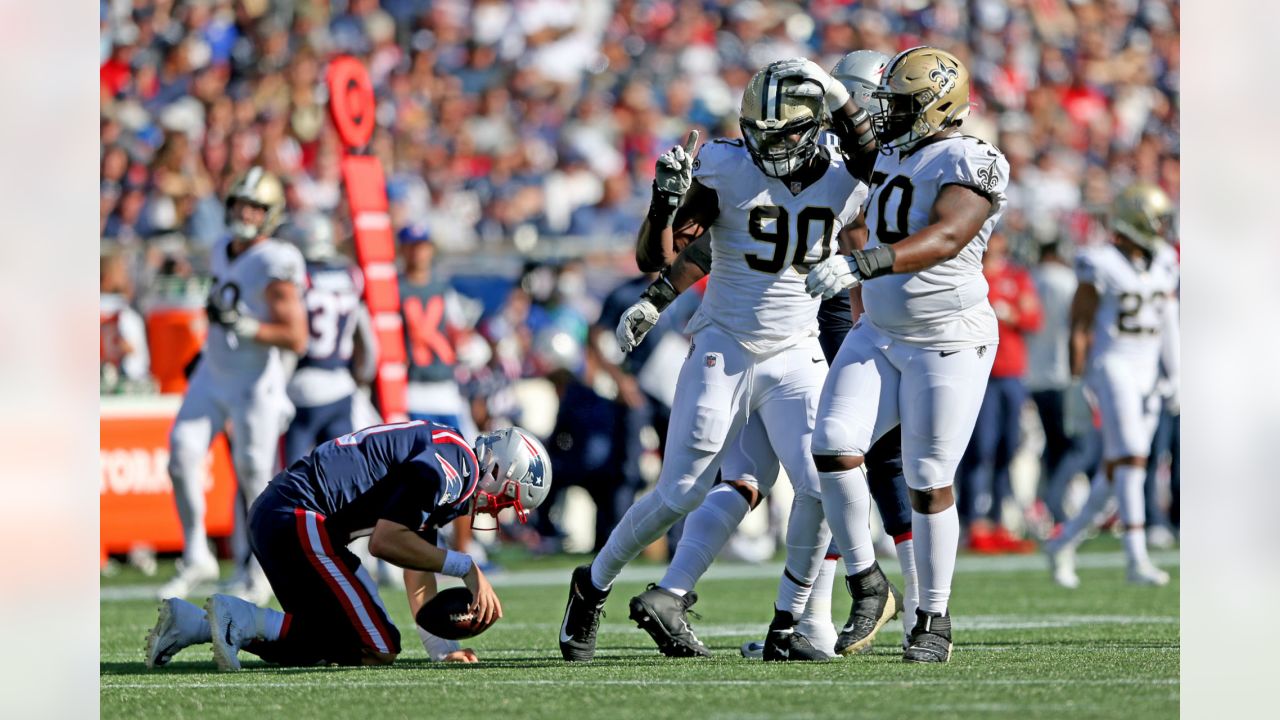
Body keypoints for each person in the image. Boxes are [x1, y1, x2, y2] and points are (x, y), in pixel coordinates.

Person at [559, 57, 880, 663]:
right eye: (756, 129)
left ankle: (795, 623)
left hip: (795, 349)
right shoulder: (727, 164)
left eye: (778, 132)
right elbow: (659, 254)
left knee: (822, 484)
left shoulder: (847, 172)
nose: (764, 144)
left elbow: (872, 155)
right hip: (724, 344)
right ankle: (592, 584)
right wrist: (663, 204)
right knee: (680, 491)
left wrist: (835, 90)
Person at [803, 46, 1011, 663]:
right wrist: (834, 94)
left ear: (937, 106)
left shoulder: (973, 157)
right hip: (882, 331)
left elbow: (947, 235)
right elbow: (866, 146)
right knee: (833, 444)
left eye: (900, 103)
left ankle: (935, 618)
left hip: (948, 337)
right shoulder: (897, 149)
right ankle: (868, 580)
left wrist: (860, 262)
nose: (888, 112)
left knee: (926, 479)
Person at [144, 420, 552, 671]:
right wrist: (467, 568)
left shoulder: (451, 461)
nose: (495, 509)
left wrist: (441, 649)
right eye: (505, 498)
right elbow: (386, 541)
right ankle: (238, 619)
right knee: (377, 646)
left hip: (290, 516)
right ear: (498, 470)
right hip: (301, 516)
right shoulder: (457, 463)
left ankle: (193, 624)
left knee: (339, 636)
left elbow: (414, 560)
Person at [160, 167, 308, 604]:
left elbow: (296, 335)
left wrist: (244, 325)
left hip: (253, 381)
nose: (245, 213)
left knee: (253, 476)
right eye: (239, 204)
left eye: (255, 207)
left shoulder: (276, 259)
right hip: (213, 370)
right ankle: (196, 554)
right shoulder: (222, 247)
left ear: (270, 214)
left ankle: (261, 572)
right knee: (181, 453)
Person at [1043, 183, 1180, 588]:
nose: (1162, 225)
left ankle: (1063, 541)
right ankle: (1135, 558)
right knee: (1134, 458)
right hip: (1112, 364)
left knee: (1117, 471)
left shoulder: (1165, 261)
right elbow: (1080, 325)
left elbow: (1169, 322)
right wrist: (1075, 383)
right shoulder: (1099, 261)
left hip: (1149, 370)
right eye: (1156, 217)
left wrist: (1176, 373)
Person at [958, 231, 1041, 553]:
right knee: (980, 449)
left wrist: (1012, 314)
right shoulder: (969, 274)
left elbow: (1033, 317)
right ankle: (973, 519)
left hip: (1010, 373)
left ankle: (996, 518)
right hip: (979, 372)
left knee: (1008, 448)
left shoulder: (1014, 277)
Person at [282, 213, 378, 464]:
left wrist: (278, 387)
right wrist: (363, 377)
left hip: (303, 388)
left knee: (290, 479)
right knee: (344, 476)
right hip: (341, 387)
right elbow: (368, 341)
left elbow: (293, 342)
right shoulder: (350, 275)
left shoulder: (300, 279)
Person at [1026, 237, 1101, 530]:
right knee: (1080, 446)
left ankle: (1049, 508)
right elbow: (1082, 326)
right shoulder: (1067, 281)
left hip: (1034, 374)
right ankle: (1053, 503)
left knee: (1055, 446)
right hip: (1065, 373)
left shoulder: (1030, 279)